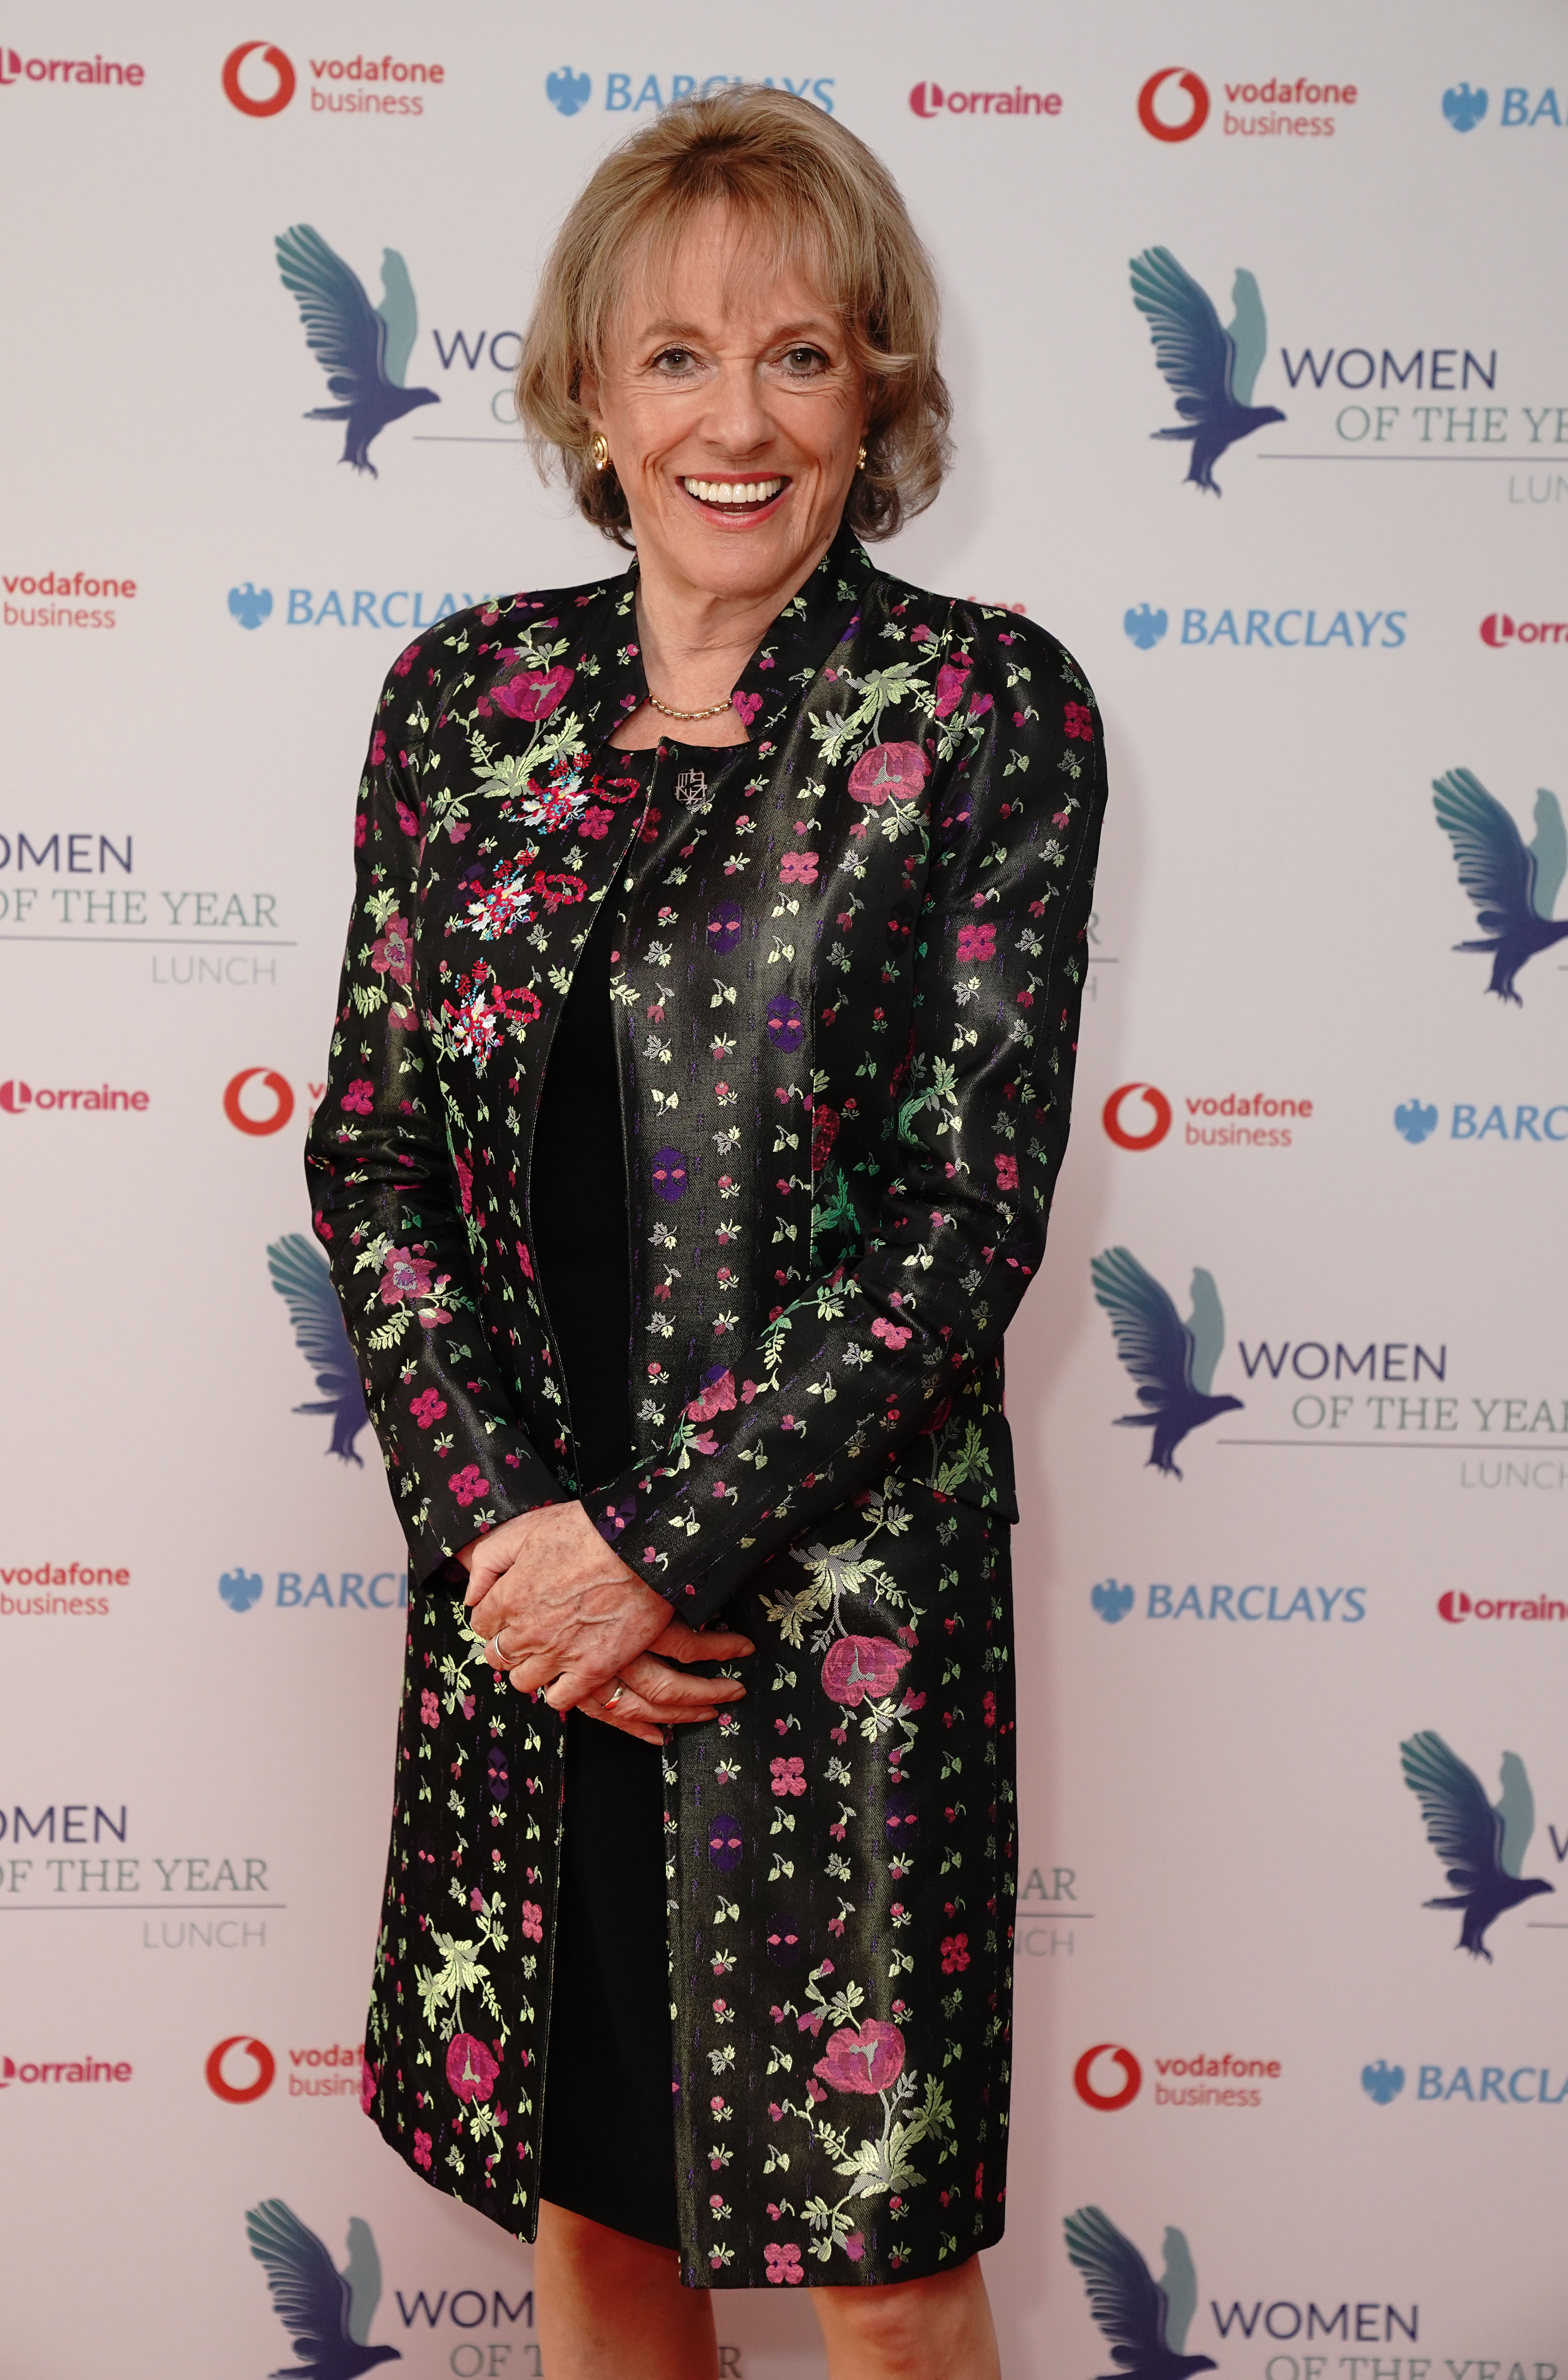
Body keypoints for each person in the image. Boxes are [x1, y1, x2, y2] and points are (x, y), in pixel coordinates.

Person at [306, 85, 1105, 2380]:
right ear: (587, 393)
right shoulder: (462, 706)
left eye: (801, 356)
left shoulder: (980, 715)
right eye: (674, 357)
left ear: (880, 398)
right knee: (599, 2219)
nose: (733, 420)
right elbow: (371, 1154)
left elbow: (966, 1229)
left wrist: (651, 1546)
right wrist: (510, 1544)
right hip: (531, 1628)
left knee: (881, 2268)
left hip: (825, 1645)